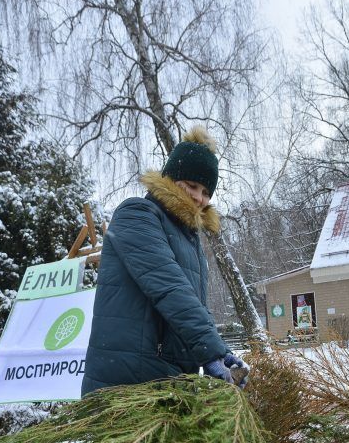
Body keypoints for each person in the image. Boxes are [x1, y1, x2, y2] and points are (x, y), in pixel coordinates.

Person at [81, 126, 247, 395]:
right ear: (171, 179)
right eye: (192, 185)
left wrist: (222, 353)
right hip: (128, 382)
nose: (198, 197)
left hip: (169, 380)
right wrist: (210, 353)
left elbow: (193, 306)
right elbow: (171, 289)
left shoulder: (190, 241)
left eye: (206, 192)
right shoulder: (137, 214)